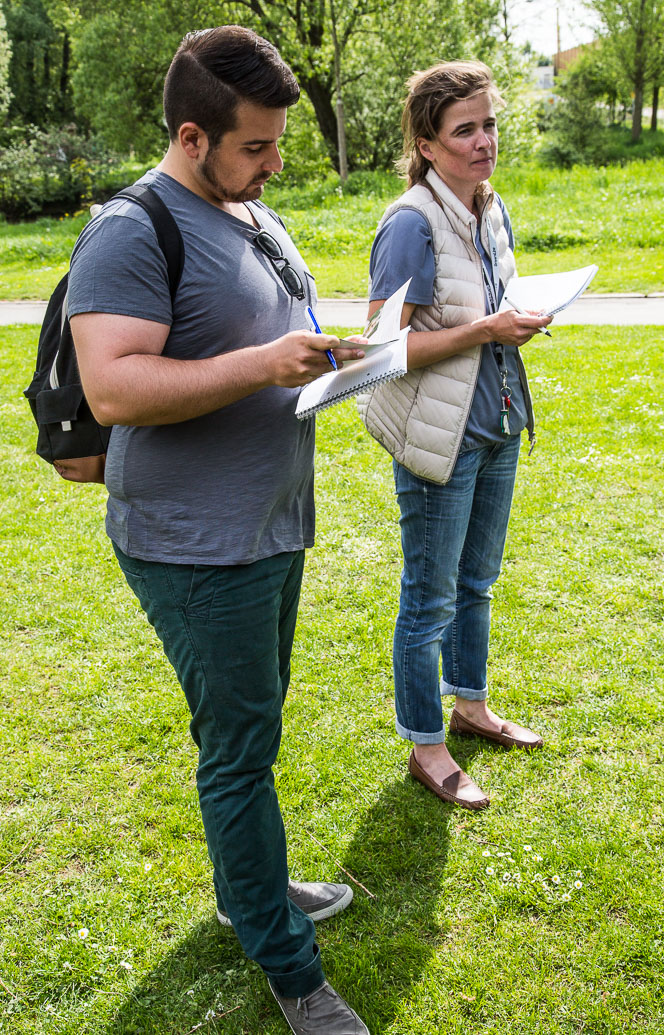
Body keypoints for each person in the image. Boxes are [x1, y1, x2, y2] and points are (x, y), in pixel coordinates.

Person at [68, 25, 370, 1035]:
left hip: (267, 525)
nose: (275, 162)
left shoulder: (250, 210)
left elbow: (261, 337)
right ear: (192, 136)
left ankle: (252, 891)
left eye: (279, 143)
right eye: (257, 146)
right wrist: (263, 365)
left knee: (252, 730)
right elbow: (114, 389)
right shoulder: (130, 230)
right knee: (238, 752)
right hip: (196, 543)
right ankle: (290, 966)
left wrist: (335, 355)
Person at [358, 60, 550, 811]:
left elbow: (489, 309)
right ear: (427, 144)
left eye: (489, 124)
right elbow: (380, 350)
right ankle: (426, 745)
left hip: (497, 419)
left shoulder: (489, 206)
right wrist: (486, 329)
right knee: (429, 597)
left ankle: (470, 705)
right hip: (441, 436)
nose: (483, 142)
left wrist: (516, 321)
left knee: (478, 582)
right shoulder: (410, 222)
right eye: (464, 130)